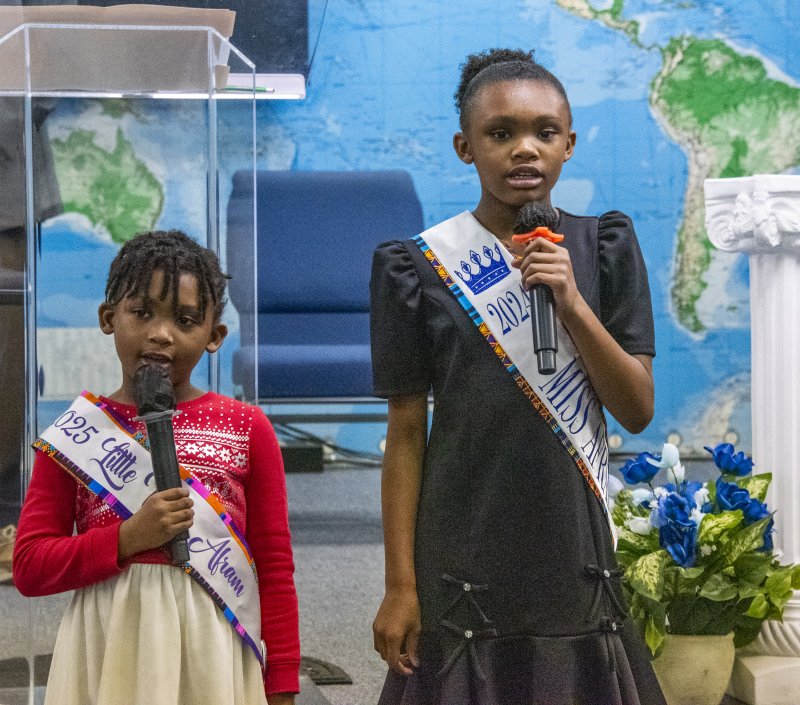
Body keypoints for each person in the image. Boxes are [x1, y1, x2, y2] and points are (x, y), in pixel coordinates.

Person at [370, 48, 667, 705]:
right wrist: (400, 584)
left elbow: (637, 407)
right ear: (465, 146)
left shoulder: (604, 248)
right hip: (463, 540)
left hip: (569, 540)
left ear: (569, 145)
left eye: (544, 132)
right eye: (500, 133)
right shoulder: (418, 270)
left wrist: (571, 304)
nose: (524, 149)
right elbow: (405, 435)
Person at [13, 230, 299, 705]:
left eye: (186, 320)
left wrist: (283, 681)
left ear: (214, 337)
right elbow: (29, 566)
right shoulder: (76, 434)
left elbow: (273, 565)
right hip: (110, 644)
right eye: (142, 312)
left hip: (214, 646)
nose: (161, 333)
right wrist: (128, 538)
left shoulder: (248, 428)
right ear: (109, 318)